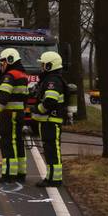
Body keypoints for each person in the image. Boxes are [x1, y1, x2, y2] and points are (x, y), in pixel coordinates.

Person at [0, 48, 29, 183]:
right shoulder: (23, 75)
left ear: (10, 60)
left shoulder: (9, 76)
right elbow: (25, 97)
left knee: (8, 143)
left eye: (3, 62)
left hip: (8, 115)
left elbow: (3, 97)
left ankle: (9, 174)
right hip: (18, 114)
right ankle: (20, 172)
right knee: (18, 142)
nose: (1, 65)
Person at [33, 52, 66, 187]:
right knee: (49, 149)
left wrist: (38, 109)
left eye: (43, 64)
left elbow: (50, 101)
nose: (41, 67)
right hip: (49, 121)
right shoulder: (50, 79)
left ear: (49, 66)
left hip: (51, 121)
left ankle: (55, 179)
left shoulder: (53, 81)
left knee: (52, 150)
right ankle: (50, 177)